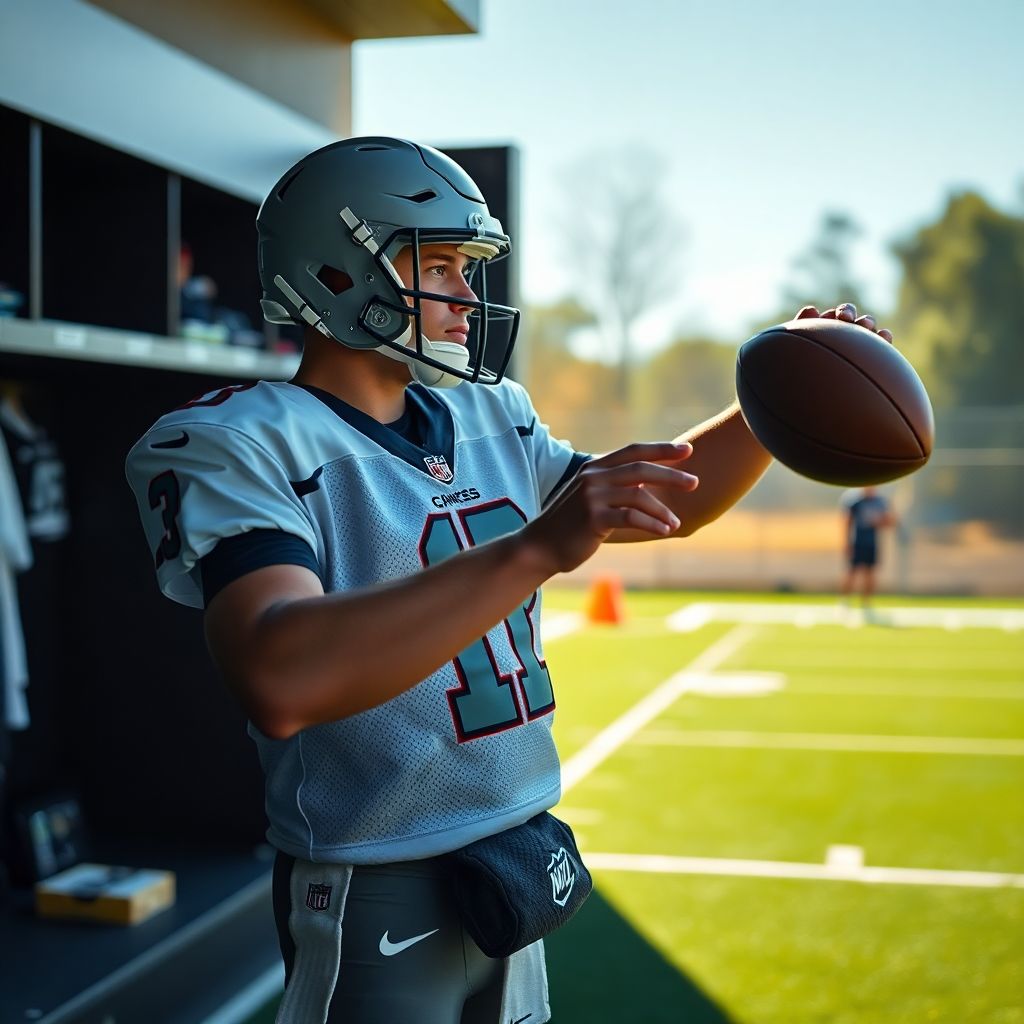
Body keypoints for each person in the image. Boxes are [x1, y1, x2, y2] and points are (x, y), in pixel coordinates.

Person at [125, 137, 894, 1024]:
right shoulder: (245, 440)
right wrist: (535, 550)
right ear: (336, 272)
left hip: (512, 858)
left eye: (468, 267)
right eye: (437, 266)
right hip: (372, 871)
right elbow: (280, 677)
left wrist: (778, 406)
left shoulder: (488, 412)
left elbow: (662, 501)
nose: (465, 294)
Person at [840, 484, 897, 613]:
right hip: (857, 542)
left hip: (871, 543)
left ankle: (866, 603)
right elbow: (847, 521)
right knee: (851, 572)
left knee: (870, 573)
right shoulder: (855, 501)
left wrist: (880, 521)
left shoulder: (880, 502)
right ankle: (844, 601)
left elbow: (890, 522)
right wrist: (847, 543)